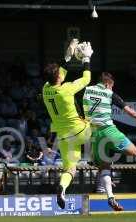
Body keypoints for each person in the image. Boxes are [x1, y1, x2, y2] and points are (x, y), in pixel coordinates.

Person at [83, 72, 136, 211]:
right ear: (107, 84)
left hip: (94, 135)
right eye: (112, 87)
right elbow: (127, 109)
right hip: (108, 130)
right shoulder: (109, 93)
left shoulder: (87, 90)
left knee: (104, 167)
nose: (112, 89)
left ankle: (110, 197)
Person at [42, 39, 93, 208]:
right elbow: (86, 79)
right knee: (97, 118)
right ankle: (101, 159)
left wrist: (69, 54)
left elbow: (60, 71)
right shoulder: (67, 88)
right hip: (80, 130)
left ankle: (62, 189)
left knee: (70, 170)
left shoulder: (45, 89)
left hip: (63, 137)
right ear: (59, 77)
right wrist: (86, 58)